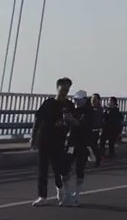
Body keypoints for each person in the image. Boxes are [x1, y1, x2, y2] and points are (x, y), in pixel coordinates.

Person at [31, 77, 75, 207]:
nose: (65, 92)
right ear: (57, 88)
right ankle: (42, 196)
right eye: (63, 89)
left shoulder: (70, 105)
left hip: (59, 141)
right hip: (44, 140)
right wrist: (33, 137)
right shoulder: (48, 103)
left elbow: (75, 124)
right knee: (42, 169)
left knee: (59, 169)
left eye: (67, 90)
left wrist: (71, 121)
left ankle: (60, 191)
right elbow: (37, 120)